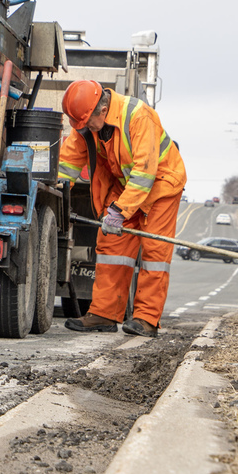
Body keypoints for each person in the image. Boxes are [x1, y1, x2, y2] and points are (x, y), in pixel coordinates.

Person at [57, 79, 187, 338]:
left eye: (84, 124)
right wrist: (57, 196)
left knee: (154, 253)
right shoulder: (86, 125)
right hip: (127, 184)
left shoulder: (140, 117)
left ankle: (147, 318)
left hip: (160, 184)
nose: (81, 130)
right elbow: (67, 165)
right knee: (111, 247)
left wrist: (119, 211)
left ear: (102, 111)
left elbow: (144, 173)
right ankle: (104, 314)